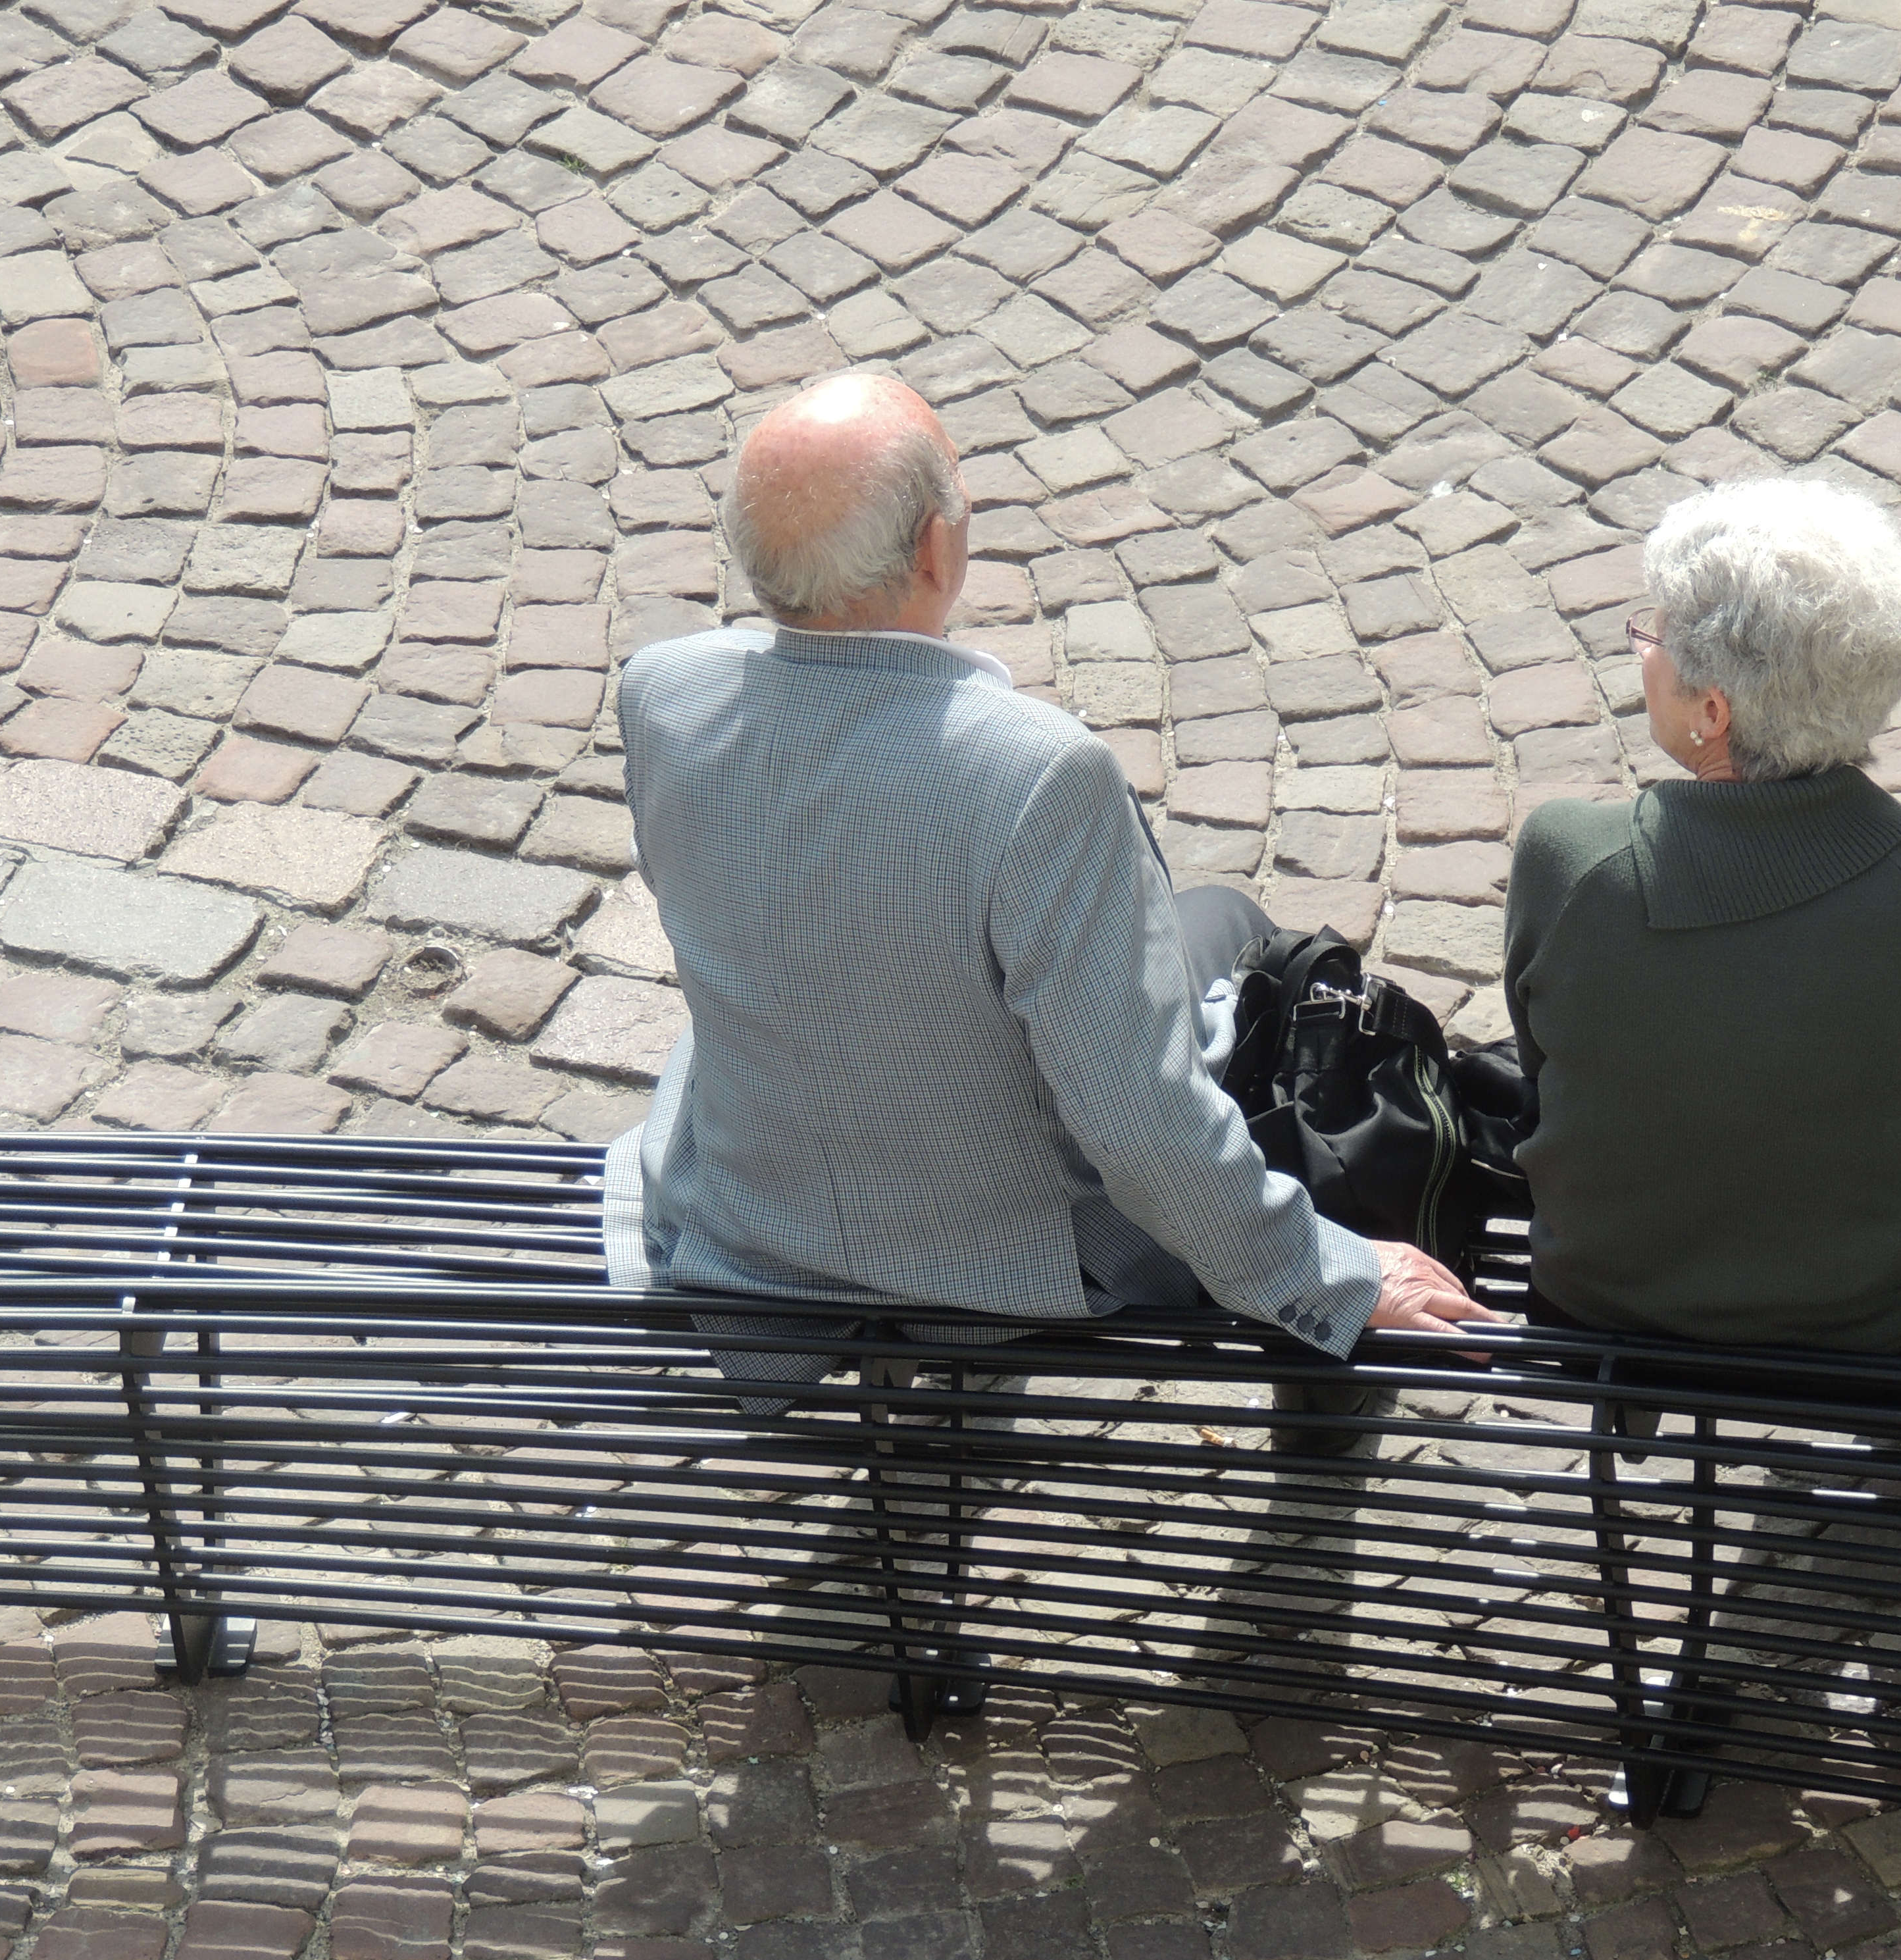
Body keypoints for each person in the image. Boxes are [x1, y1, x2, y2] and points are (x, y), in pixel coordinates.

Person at [603, 371, 1488, 1360]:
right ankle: (1328, 1393)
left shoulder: (662, 693)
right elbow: (1143, 1128)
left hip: (748, 1213)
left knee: (1202, 929)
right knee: (1233, 932)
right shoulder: (1034, 774)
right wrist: (1332, 1276)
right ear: (938, 549)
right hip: (1007, 1259)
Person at [1499, 478, 1901, 1357]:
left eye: (1657, 635)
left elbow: (1540, 1056)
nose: (1643, 650)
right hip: (1886, 1320)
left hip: (1603, 1306)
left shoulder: (1570, 860)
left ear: (1713, 711)